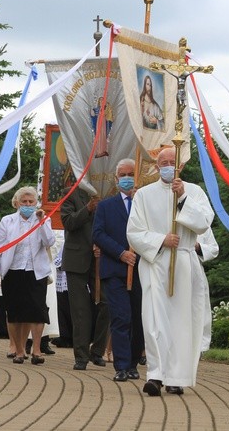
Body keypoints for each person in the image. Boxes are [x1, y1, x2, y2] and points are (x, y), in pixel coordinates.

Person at [127, 147, 214, 396]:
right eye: (162, 162)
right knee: (154, 318)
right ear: (156, 165)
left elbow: (204, 223)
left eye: (171, 162)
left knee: (180, 321)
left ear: (180, 166)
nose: (166, 166)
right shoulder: (143, 195)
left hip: (184, 262)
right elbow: (133, 231)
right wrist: (161, 240)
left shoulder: (195, 191)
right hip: (156, 262)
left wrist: (184, 197)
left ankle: (176, 376)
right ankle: (155, 374)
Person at [0, 186, 55, 365]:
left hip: (36, 271)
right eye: (24, 202)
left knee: (37, 311)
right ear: (17, 203)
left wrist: (41, 222)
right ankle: (19, 350)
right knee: (15, 311)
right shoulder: (7, 221)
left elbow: (49, 241)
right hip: (13, 270)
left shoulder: (43, 219)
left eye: (31, 202)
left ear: (36, 203)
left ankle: (37, 350)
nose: (27, 205)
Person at [93, 158, 144, 382]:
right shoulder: (106, 206)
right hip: (115, 269)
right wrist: (121, 253)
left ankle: (133, 363)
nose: (127, 178)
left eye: (131, 174)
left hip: (142, 269)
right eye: (122, 175)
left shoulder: (144, 204)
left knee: (138, 319)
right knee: (121, 317)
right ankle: (121, 366)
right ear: (116, 179)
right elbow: (98, 234)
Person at [61, 185, 109, 371]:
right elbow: (68, 222)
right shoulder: (70, 194)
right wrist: (88, 208)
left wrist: (103, 244)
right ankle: (81, 355)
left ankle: (97, 351)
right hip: (76, 258)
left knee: (107, 304)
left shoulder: (108, 193)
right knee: (80, 309)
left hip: (101, 257)